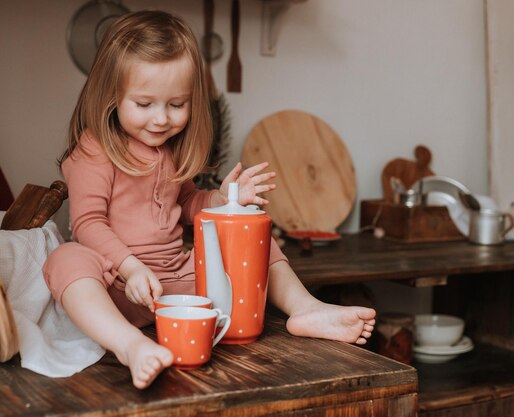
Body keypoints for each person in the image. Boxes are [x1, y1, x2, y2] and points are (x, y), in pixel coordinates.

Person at [43, 10, 376, 390]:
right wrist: (131, 268)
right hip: (115, 287)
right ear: (111, 96)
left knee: (248, 230)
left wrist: (224, 199)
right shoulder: (94, 150)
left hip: (176, 285)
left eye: (176, 104)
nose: (161, 119)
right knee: (65, 259)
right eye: (144, 103)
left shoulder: (166, 151)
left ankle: (305, 309)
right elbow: (87, 224)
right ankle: (129, 344)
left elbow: (185, 206)